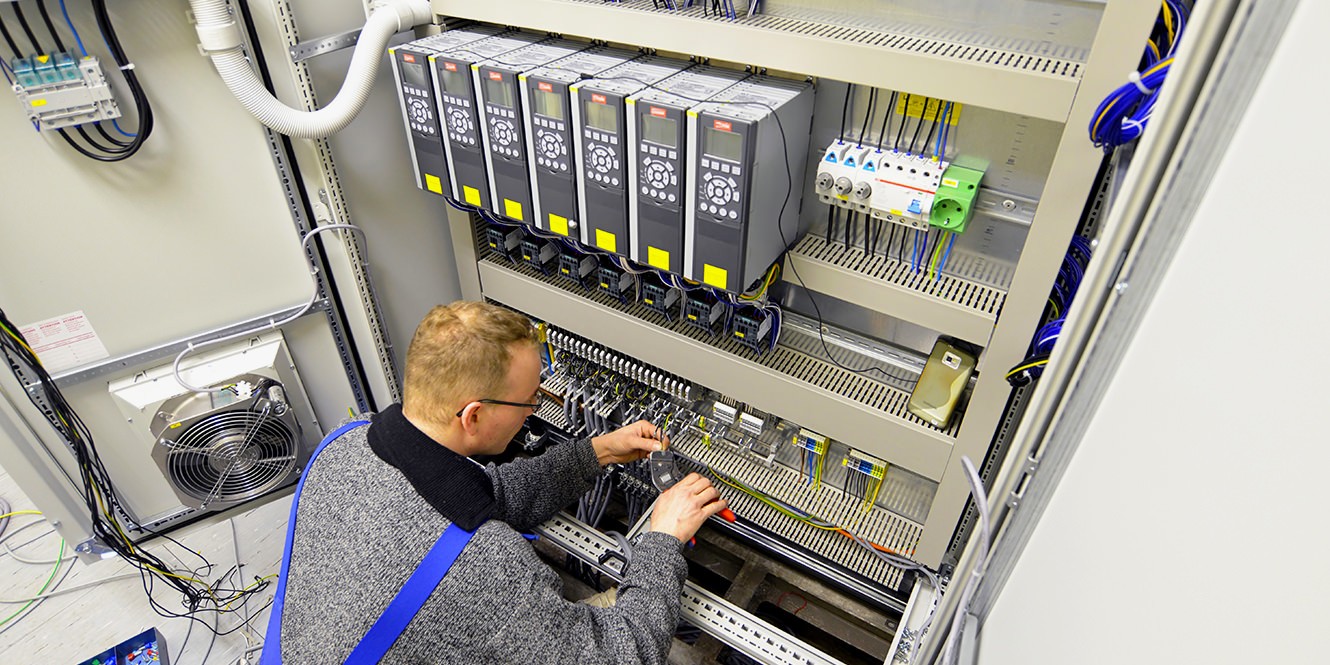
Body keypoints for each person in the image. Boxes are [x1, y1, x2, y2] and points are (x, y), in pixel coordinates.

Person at [273, 301, 728, 663]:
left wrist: (598, 451)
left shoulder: (344, 443)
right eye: (529, 401)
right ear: (474, 415)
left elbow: (480, 494)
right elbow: (621, 655)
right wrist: (663, 541)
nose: (534, 411)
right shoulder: (489, 569)